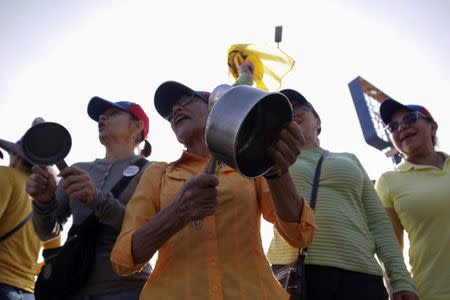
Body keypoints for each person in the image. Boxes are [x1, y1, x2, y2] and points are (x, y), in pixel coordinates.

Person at [110, 75, 316, 299]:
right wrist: (177, 212)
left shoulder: (250, 165)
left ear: (216, 110)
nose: (176, 109)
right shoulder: (158, 174)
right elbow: (123, 259)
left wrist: (277, 170)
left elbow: (299, 235)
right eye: (170, 113)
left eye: (187, 99)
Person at [267, 89, 418, 300]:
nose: (293, 113)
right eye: (285, 112)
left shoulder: (349, 159)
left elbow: (378, 223)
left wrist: (400, 279)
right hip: (297, 275)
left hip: (362, 275)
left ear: (317, 121)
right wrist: (245, 75)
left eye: (300, 107)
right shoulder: (267, 161)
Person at [26, 97, 152, 299]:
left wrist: (97, 198)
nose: (102, 117)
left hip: (128, 290)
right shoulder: (80, 168)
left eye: (113, 114)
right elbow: (46, 232)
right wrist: (43, 201)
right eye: (102, 115)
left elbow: (148, 231)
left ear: (138, 126)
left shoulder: (152, 171)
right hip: (72, 288)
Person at [375, 98, 450, 300]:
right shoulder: (388, 182)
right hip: (434, 293)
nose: (402, 127)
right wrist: (396, 287)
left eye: (410, 118)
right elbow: (389, 247)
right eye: (393, 126)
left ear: (432, 126)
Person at [0, 120, 60, 300]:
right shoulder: (47, 200)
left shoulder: (6, 176)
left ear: (16, 156)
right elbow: (53, 254)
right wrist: (28, 269)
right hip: (27, 291)